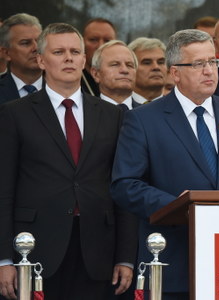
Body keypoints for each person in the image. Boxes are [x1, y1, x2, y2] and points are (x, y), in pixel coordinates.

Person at [111, 29, 219, 300]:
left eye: (212, 62)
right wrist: (174, 205)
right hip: (173, 260)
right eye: (198, 64)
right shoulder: (144, 120)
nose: (209, 71)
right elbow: (125, 185)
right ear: (175, 73)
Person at [0, 23, 137, 300]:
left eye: (75, 52)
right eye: (59, 51)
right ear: (41, 60)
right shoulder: (14, 114)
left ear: (85, 60)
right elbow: (3, 190)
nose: (69, 58)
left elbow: (123, 188)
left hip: (98, 250)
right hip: (34, 249)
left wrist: (126, 257)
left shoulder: (113, 115)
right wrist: (4, 260)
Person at [0, 13, 42, 104]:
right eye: (26, 43)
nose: (36, 48)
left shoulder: (63, 87)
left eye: (39, 41)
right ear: (6, 52)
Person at [91, 40, 140, 110]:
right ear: (96, 74)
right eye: (115, 64)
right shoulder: (84, 113)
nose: (124, 70)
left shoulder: (148, 114)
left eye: (129, 65)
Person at [82, 18, 117, 97]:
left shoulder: (122, 79)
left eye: (107, 41)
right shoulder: (71, 82)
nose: (101, 46)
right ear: (82, 43)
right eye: (93, 40)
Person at [128, 37, 167, 104]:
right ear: (131, 67)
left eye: (161, 62)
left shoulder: (180, 108)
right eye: (147, 63)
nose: (156, 67)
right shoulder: (119, 109)